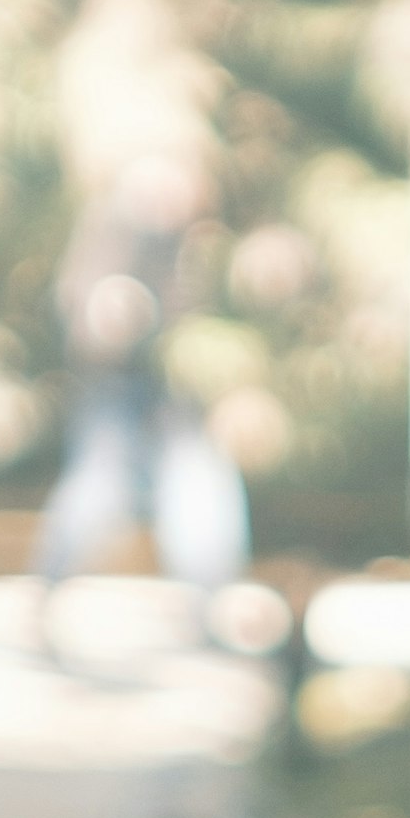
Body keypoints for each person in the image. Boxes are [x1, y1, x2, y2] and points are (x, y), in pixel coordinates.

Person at [32, 161, 249, 620]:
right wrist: (111, 314)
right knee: (99, 486)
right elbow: (83, 303)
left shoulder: (200, 242)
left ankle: (210, 605)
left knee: (200, 488)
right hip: (117, 385)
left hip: (180, 395)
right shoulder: (114, 227)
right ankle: (49, 588)